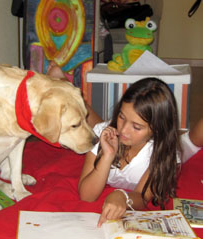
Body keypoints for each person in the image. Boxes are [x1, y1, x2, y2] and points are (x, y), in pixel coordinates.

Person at [77, 77, 203, 227]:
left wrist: (123, 196)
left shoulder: (163, 154)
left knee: (190, 141)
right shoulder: (107, 133)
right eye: (121, 116)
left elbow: (141, 198)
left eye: (136, 127)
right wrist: (107, 156)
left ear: (156, 128)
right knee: (99, 125)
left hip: (166, 146)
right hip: (107, 130)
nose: (123, 130)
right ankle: (70, 91)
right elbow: (86, 196)